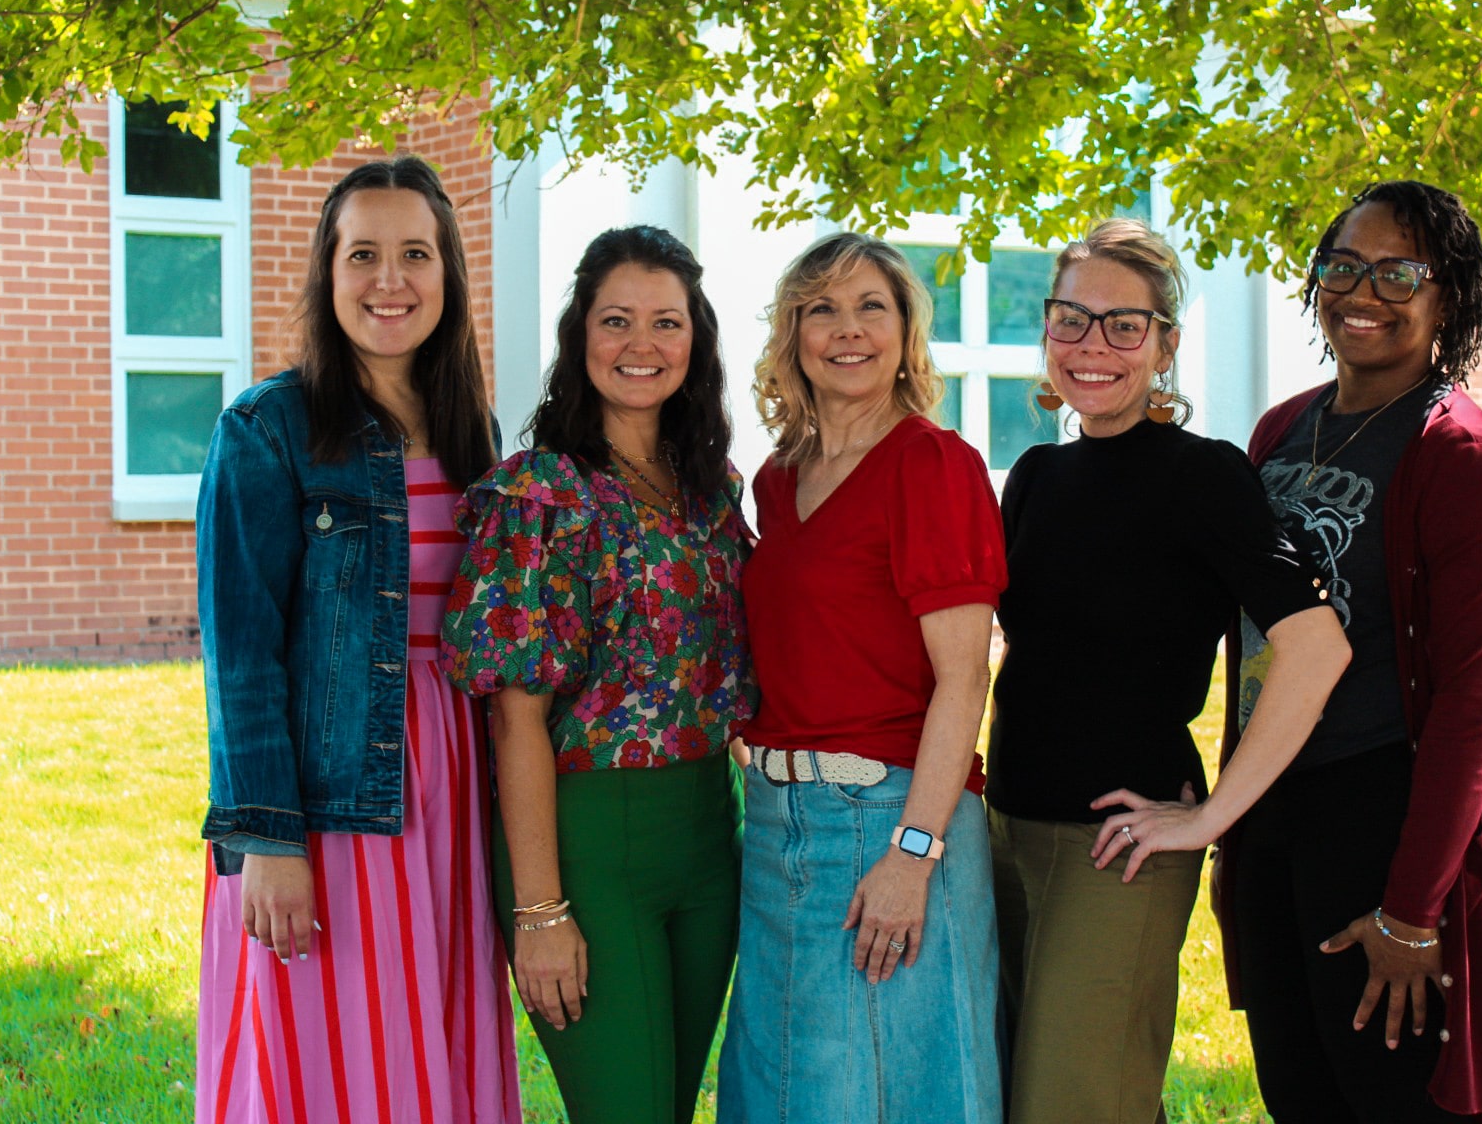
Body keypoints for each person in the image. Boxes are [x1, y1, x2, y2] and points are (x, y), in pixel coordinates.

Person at [1218, 180, 1482, 1121]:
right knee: (1302, 1092)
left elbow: (1475, 706)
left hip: (1390, 818)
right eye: (1342, 266)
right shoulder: (1281, 430)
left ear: (1446, 296)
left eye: (1396, 272)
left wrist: (1415, 909)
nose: (1361, 292)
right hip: (1279, 812)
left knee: (1395, 1098)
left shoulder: (1467, 460)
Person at [984, 218, 1351, 1124]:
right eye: (1072, 320)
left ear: (1165, 345)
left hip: (1118, 846)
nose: (1093, 347)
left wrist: (1213, 816)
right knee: (1002, 1092)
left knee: (1073, 1105)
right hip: (1001, 831)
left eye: (1123, 325)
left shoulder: (1203, 475)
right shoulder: (1034, 474)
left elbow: (1316, 646)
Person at [195, 156, 520, 1124]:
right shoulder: (266, 429)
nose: (391, 280)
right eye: (363, 255)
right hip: (329, 795)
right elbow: (242, 653)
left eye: (415, 253)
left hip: (451, 790)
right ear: (327, 274)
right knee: (328, 1057)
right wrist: (268, 839)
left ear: (448, 275)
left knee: (434, 1041)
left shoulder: (472, 431)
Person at [442, 226, 754, 1124]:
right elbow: (515, 720)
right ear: (581, 336)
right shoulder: (541, 494)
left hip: (708, 841)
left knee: (669, 1107)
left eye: (667, 323)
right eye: (617, 321)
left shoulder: (712, 489)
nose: (642, 345)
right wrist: (540, 909)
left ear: (697, 342)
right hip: (588, 845)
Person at [716, 233, 1006, 1124]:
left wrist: (913, 855)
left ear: (906, 331)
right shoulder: (777, 476)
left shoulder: (931, 463)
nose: (848, 330)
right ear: (792, 332)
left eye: (871, 307)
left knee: (909, 1093)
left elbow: (964, 681)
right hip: (775, 829)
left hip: (888, 819)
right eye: (822, 309)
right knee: (783, 1092)